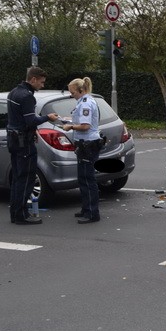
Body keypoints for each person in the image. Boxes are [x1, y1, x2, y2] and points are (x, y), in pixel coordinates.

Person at [6, 67, 59, 225]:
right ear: (33, 79)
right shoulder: (27, 96)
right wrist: (47, 117)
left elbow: (18, 119)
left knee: (17, 178)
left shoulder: (13, 92)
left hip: (13, 140)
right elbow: (30, 120)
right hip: (24, 143)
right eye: (41, 82)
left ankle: (15, 213)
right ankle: (22, 215)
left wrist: (33, 129)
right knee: (27, 178)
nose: (42, 85)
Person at [62, 77, 102, 223]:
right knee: (82, 178)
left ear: (81, 90)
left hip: (88, 144)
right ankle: (86, 208)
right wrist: (70, 120)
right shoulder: (83, 102)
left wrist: (70, 127)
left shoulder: (86, 103)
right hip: (84, 144)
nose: (71, 95)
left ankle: (92, 213)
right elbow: (82, 121)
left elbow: (85, 126)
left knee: (87, 178)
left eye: (73, 93)